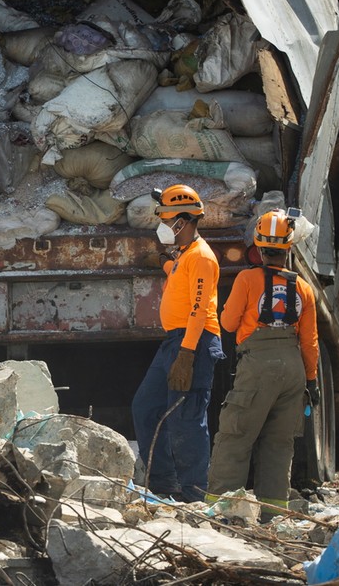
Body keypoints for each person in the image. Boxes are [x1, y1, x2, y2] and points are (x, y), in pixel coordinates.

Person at [206, 209, 319, 519]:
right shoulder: (304, 289)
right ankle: (273, 516)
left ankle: (222, 513)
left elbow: (228, 324)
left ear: (256, 246)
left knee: (236, 435)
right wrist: (311, 382)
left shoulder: (246, 278)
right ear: (289, 248)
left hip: (257, 365)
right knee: (279, 444)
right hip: (293, 368)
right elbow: (310, 342)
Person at [132, 184, 225, 502]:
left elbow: (200, 309)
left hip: (193, 343)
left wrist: (186, 354)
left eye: (166, 219)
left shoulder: (202, 258)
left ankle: (194, 492)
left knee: (187, 418)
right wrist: (163, 262)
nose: (162, 225)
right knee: (147, 406)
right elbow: (179, 273)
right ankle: (163, 483)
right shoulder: (186, 256)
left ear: (182, 222)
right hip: (175, 342)